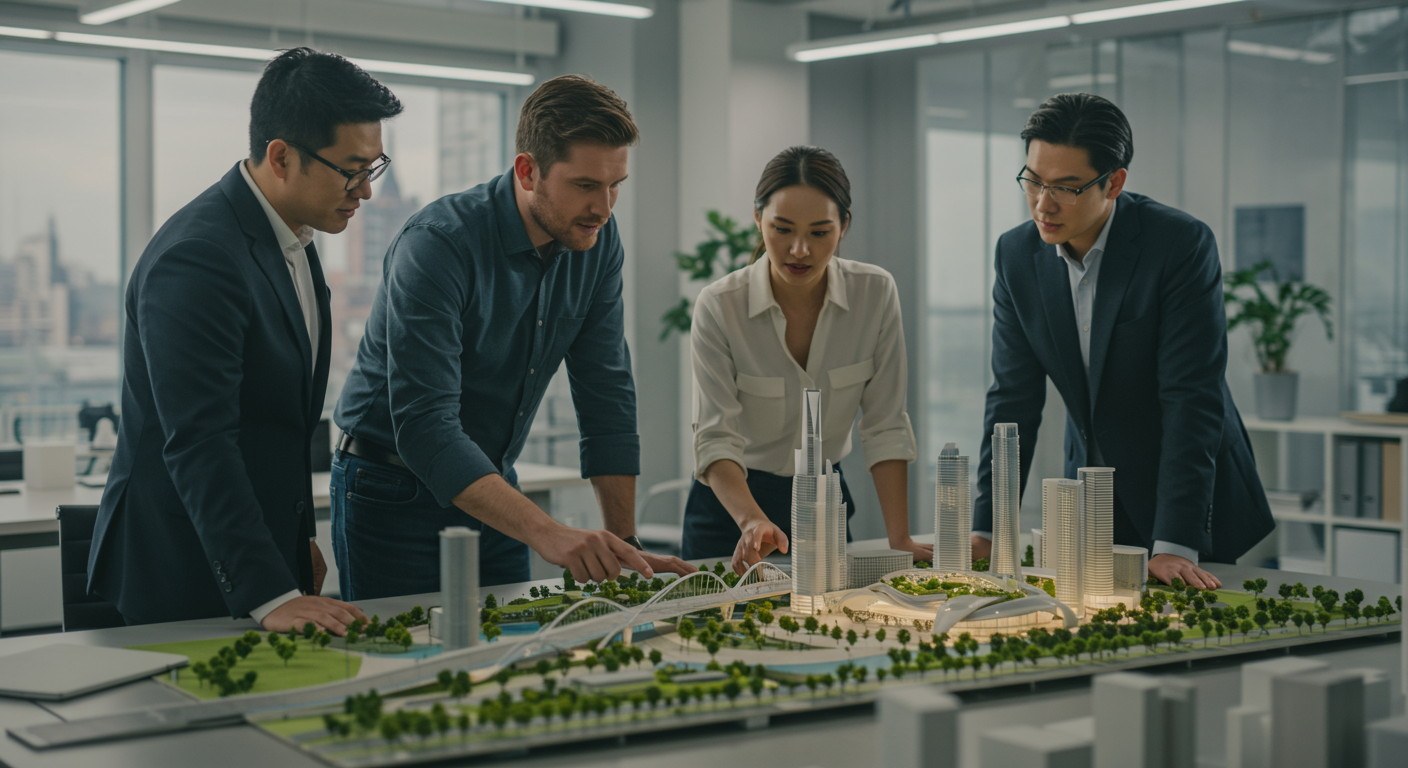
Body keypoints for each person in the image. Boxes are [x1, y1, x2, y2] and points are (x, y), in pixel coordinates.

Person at [333, 75, 693, 596]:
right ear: (528, 171)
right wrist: (549, 533)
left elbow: (606, 394)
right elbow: (426, 426)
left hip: (494, 490)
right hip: (389, 489)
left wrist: (624, 543)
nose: (605, 207)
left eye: (616, 185)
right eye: (586, 185)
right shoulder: (438, 245)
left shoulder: (596, 239)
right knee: (401, 664)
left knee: (509, 655)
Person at [88, 48, 401, 632]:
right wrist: (267, 588)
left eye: (372, 169)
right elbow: (200, 440)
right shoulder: (199, 256)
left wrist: (294, 541)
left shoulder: (293, 239)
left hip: (257, 552)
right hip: (181, 566)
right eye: (350, 170)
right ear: (281, 157)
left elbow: (279, 426)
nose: (364, 192)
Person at [971, 93, 1274, 589]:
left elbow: (1190, 396)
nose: (1043, 205)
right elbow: (1012, 399)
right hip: (1094, 495)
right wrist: (986, 528)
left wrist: (1174, 541)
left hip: (1191, 499)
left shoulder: (1178, 244)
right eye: (1033, 181)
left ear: (1113, 182)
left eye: (1066, 188)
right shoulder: (1016, 255)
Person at [687, 146, 922, 574]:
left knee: (837, 627)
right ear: (758, 219)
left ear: (844, 226)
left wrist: (899, 539)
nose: (799, 250)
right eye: (782, 229)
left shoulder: (875, 293)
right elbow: (715, 436)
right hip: (731, 510)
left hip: (825, 500)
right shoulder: (720, 305)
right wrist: (752, 520)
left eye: (819, 232)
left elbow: (885, 423)